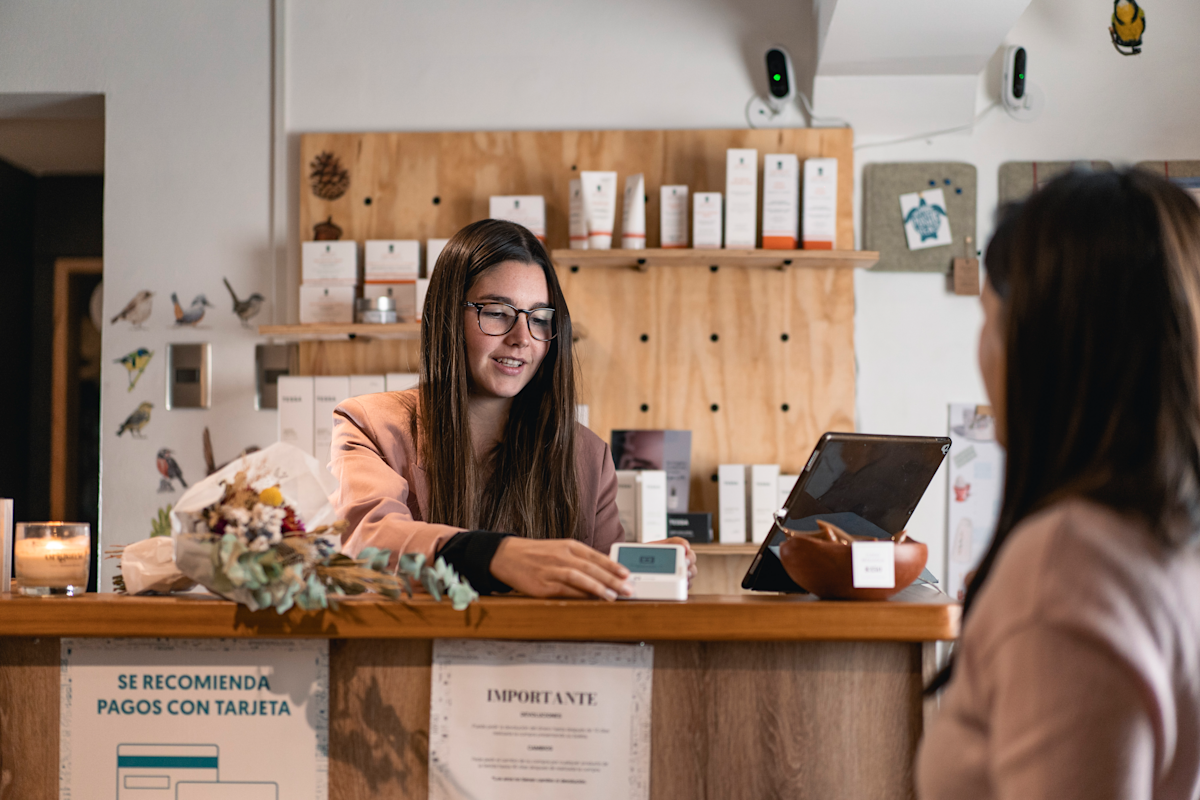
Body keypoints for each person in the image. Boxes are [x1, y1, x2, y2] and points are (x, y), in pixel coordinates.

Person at [917, 169, 1200, 799]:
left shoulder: (1066, 568)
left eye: (988, 317)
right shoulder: (1163, 539)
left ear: (1043, 343)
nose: (981, 348)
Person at [330, 219, 696, 599]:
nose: (522, 338)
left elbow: (600, 600)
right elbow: (369, 543)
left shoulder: (588, 456)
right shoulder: (370, 424)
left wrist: (636, 572)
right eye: (497, 312)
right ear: (446, 317)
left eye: (539, 319)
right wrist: (497, 556)